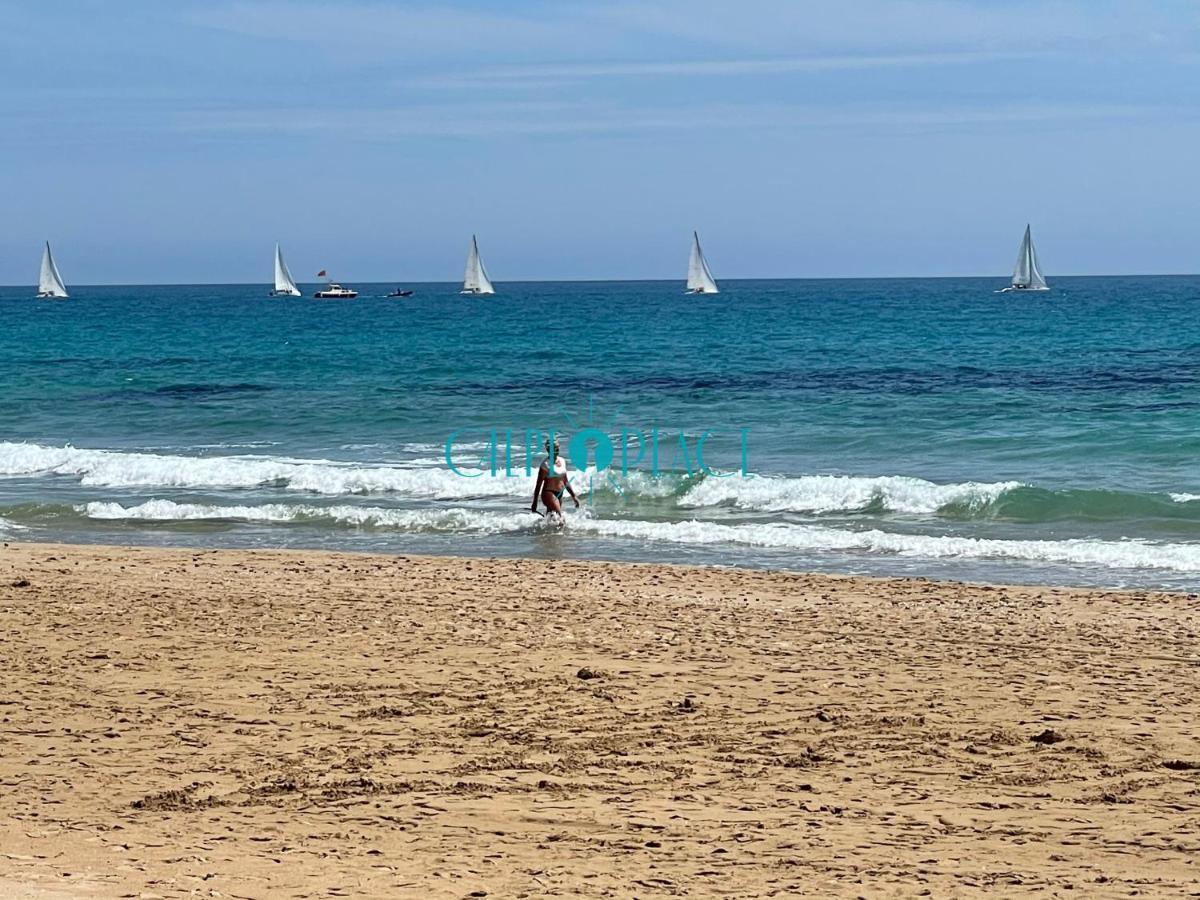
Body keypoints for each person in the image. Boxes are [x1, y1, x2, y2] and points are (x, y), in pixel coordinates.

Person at [531, 438, 580, 519]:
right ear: (548, 450)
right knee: (560, 518)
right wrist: (535, 502)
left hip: (559, 494)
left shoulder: (562, 461)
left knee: (551, 519)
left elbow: (565, 481)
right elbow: (538, 484)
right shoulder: (545, 465)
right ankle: (565, 531)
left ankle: (544, 531)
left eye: (557, 448)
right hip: (548, 493)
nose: (556, 451)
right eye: (554, 449)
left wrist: (574, 496)